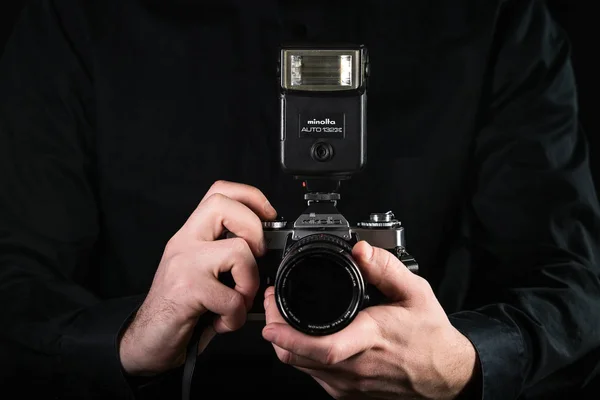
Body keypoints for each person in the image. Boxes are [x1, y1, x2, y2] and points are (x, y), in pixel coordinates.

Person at [1, 0, 599, 399]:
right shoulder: (80, 17)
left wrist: (462, 363)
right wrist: (134, 337)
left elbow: (575, 281)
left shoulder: (496, 17)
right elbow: (13, 279)